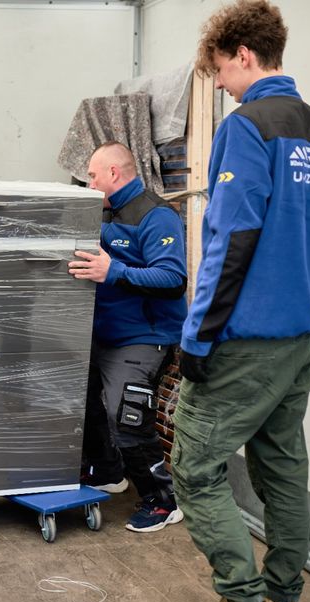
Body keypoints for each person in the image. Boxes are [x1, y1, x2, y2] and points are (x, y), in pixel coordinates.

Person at [172, 1, 310, 602]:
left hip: (241, 344)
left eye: (220, 70)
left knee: (194, 467)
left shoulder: (247, 127)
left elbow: (231, 238)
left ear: (243, 55)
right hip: (299, 341)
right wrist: (300, 306)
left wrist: (197, 336)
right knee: (283, 471)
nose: (219, 84)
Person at [68, 141, 188, 533]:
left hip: (144, 336)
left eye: (92, 175)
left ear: (114, 175)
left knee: (128, 417)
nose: (88, 182)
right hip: (102, 332)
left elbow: (173, 279)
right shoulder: (102, 212)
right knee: (80, 401)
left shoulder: (155, 216)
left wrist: (114, 271)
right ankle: (108, 472)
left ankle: (162, 500)